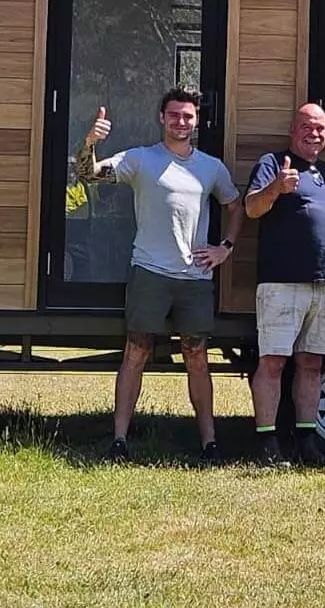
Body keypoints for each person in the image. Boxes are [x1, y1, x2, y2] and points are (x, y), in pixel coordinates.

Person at [76, 86, 243, 464]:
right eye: (174, 115)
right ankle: (119, 440)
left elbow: (236, 206)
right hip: (149, 272)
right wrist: (89, 142)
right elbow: (87, 174)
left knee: (196, 357)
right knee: (136, 352)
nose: (180, 122)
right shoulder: (141, 159)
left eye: (188, 116)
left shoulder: (211, 167)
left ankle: (210, 444)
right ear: (161, 118)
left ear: (196, 122)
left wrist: (225, 249)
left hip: (195, 278)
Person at [244, 103, 325, 467]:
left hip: (323, 283)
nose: (315, 133)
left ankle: (307, 442)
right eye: (308, 126)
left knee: (311, 364)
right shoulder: (273, 163)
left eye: (321, 128)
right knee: (273, 363)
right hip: (281, 281)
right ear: (293, 130)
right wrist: (277, 187)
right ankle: (266, 444)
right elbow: (251, 209)